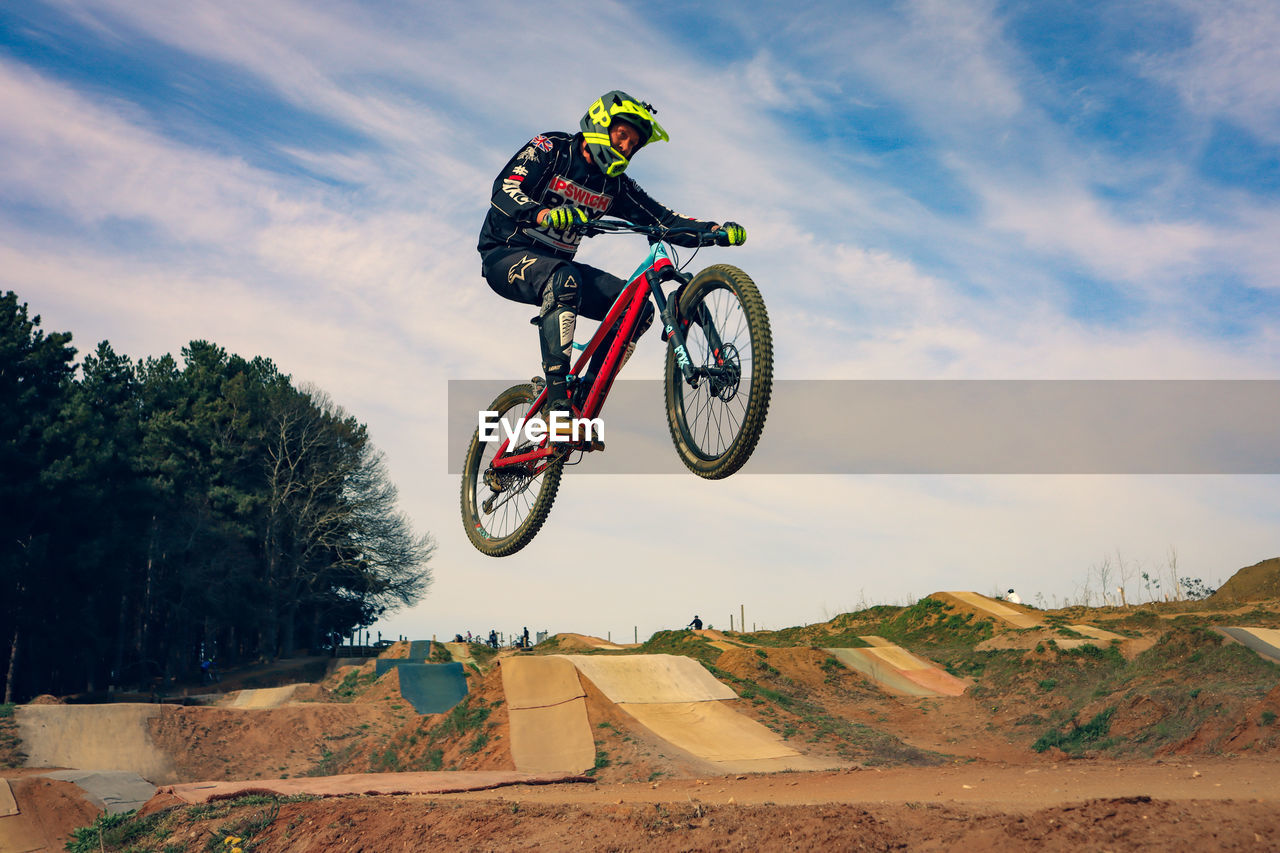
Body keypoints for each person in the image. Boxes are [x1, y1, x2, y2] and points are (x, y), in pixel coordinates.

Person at [478, 91, 746, 432]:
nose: (626, 147)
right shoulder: (551, 148)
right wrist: (543, 213)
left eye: (634, 144)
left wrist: (713, 231)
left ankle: (583, 400)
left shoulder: (615, 186)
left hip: (559, 269)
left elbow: (661, 217)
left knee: (638, 310)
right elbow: (504, 188)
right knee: (564, 280)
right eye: (623, 135)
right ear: (600, 124)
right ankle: (558, 407)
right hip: (504, 253)